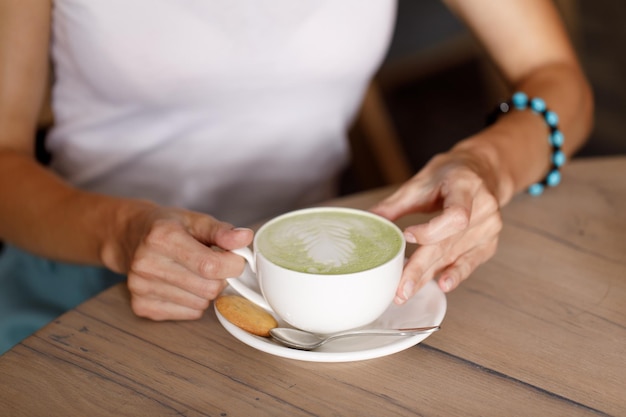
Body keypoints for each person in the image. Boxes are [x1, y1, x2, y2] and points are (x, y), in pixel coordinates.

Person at [0, 0, 593, 355]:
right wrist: (120, 233)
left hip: (317, 297)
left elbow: (557, 78)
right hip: (79, 277)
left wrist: (489, 164)